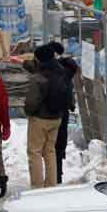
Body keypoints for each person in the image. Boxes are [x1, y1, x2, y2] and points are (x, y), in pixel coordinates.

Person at [24, 44, 71, 188]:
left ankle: (37, 187)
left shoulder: (39, 77)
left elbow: (31, 103)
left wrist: (29, 112)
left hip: (40, 119)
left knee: (35, 152)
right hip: (57, 118)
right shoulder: (63, 72)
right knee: (50, 151)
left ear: (39, 59)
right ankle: (51, 184)